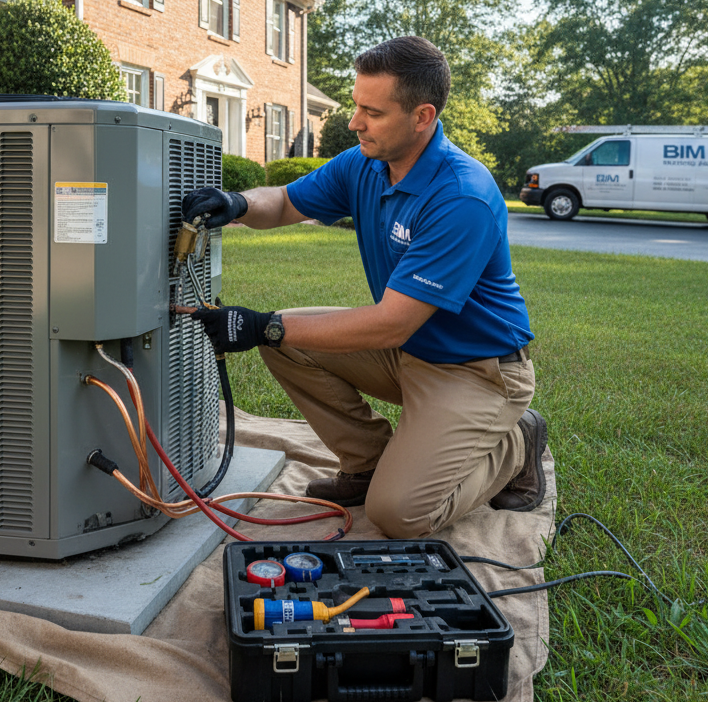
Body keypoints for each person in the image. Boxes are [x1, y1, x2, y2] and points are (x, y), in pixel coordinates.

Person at [182, 36, 546, 539]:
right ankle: (369, 462)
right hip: (408, 353)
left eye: (371, 112)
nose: (354, 122)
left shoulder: (462, 196)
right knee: (293, 340)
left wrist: (264, 327)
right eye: (356, 105)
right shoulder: (365, 163)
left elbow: (392, 322)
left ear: (422, 116)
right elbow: (286, 201)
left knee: (400, 514)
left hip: (475, 370)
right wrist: (237, 203)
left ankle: (517, 444)